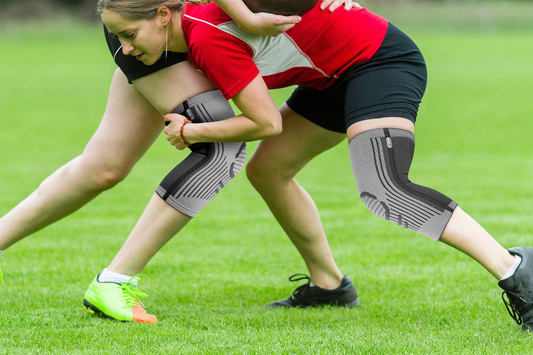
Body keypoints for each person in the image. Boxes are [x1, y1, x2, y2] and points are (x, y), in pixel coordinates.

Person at [91, 0, 533, 333]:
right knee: (268, 172)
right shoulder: (203, 18)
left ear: (164, 16)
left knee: (385, 187)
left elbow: (263, 123)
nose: (126, 49)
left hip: (379, 62)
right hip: (330, 77)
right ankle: (329, 286)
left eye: (129, 34)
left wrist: (193, 133)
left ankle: (517, 272)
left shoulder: (206, 37)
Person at [0, 0, 355, 321]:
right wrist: (246, 16)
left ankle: (329, 282)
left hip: (180, 20)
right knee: (220, 151)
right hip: (144, 18)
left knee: (103, 167)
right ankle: (114, 281)